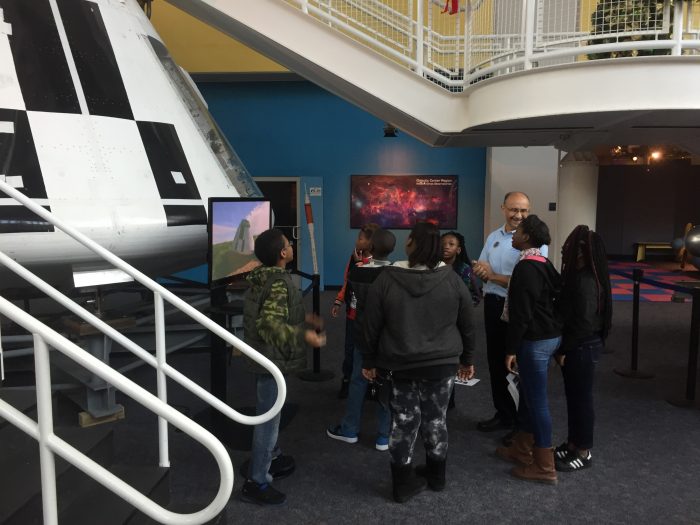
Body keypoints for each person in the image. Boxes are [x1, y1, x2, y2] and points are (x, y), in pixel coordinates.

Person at [362, 222, 476, 503]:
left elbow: (370, 324)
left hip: (399, 364)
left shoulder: (387, 279)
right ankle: (437, 476)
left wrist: (369, 359)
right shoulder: (452, 279)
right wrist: (468, 359)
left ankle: (402, 484)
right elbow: (468, 324)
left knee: (403, 422)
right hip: (442, 364)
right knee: (436, 420)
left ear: (410, 243)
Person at [241, 228, 327, 505]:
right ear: (282, 254)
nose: (292, 247)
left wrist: (304, 320)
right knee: (268, 421)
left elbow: (276, 313)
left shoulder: (264, 278)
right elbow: (270, 325)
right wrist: (305, 334)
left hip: (267, 357)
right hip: (270, 361)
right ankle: (256, 482)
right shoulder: (279, 283)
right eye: (289, 244)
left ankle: (273, 456)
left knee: (271, 413)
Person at [472, 192, 548, 440]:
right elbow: (482, 266)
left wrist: (493, 276)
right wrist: (485, 272)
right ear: (503, 208)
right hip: (493, 304)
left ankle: (520, 423)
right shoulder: (494, 236)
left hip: (518, 309)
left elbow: (525, 282)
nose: (518, 215)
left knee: (517, 364)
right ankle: (503, 414)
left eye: (524, 210)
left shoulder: (534, 240)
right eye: (514, 209)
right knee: (495, 362)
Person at [502, 215, 562, 484]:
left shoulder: (526, 267)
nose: (513, 234)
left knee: (537, 402)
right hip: (549, 337)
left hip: (535, 341)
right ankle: (522, 448)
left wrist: (511, 348)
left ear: (527, 237)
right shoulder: (543, 262)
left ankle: (544, 466)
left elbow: (521, 314)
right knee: (528, 396)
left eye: (518, 231)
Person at [327, 228, 395, 451]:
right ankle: (384, 436)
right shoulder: (397, 274)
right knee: (387, 383)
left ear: (370, 248)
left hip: (362, 334)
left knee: (358, 380)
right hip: (387, 338)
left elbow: (353, 305)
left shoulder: (357, 272)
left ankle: (349, 429)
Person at [554, 225, 612, 472]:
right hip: (581, 344)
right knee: (575, 397)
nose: (565, 251)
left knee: (581, 399)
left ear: (582, 253)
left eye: (571, 248)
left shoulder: (587, 280)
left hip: (582, 346)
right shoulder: (583, 276)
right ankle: (572, 443)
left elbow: (583, 323)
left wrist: (564, 349)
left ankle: (584, 451)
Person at [331, 223, 379, 399]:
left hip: (368, 318)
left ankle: (370, 385)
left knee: (368, 351)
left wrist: (360, 263)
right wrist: (338, 300)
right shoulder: (353, 258)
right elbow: (347, 280)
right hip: (352, 315)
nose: (356, 241)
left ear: (371, 243)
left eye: (360, 238)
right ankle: (347, 381)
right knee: (350, 350)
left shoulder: (376, 262)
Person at [441, 230, 481, 410]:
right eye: (443, 243)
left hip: (456, 323)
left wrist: (462, 311)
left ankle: (449, 400)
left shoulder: (464, 270)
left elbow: (475, 296)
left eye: (451, 244)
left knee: (451, 362)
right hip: (436, 323)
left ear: (458, 249)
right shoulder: (434, 266)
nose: (446, 247)